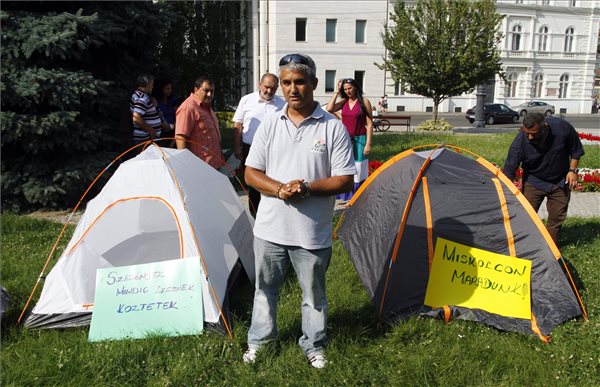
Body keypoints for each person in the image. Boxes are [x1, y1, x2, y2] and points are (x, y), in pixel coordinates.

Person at [242, 53, 356, 368]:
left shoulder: (332, 127)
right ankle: (260, 341)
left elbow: (345, 178)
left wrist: (306, 188)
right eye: (286, 82)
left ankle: (314, 345)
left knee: (314, 296)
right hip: (269, 228)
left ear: (314, 84)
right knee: (264, 291)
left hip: (312, 230)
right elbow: (251, 173)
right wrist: (279, 189)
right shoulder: (269, 124)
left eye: (300, 82)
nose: (292, 89)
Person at [503, 112, 584, 245]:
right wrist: (508, 187)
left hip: (559, 181)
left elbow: (576, 150)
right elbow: (510, 166)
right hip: (534, 181)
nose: (529, 137)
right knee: (525, 216)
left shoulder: (562, 128)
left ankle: (549, 249)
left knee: (556, 218)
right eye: (527, 133)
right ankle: (521, 245)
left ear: (544, 127)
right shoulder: (522, 139)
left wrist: (572, 171)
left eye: (533, 134)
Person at [233, 73, 285, 215]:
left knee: (273, 180)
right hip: (250, 148)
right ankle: (254, 213)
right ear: (259, 84)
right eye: (267, 87)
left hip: (274, 150)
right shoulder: (246, 100)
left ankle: (273, 212)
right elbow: (238, 125)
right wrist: (237, 148)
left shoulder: (282, 104)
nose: (269, 91)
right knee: (254, 183)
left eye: (273, 89)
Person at [326, 77, 373, 201]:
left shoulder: (364, 102)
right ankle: (345, 194)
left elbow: (369, 124)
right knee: (345, 166)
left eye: (349, 88)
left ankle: (357, 196)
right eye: (345, 89)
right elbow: (330, 109)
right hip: (345, 139)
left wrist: (368, 143)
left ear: (356, 87)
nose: (347, 91)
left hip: (360, 139)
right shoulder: (344, 102)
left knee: (359, 167)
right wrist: (336, 92)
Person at [175, 76, 225, 169]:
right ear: (196, 89)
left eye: (212, 91)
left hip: (214, 165)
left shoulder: (206, 107)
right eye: (206, 90)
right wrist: (185, 165)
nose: (209, 94)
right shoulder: (188, 107)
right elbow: (180, 137)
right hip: (200, 167)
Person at [130, 74, 170, 146]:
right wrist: (150, 130)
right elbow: (136, 118)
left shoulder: (142, 95)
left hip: (146, 138)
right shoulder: (141, 98)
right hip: (144, 138)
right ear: (147, 84)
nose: (152, 87)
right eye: (152, 84)